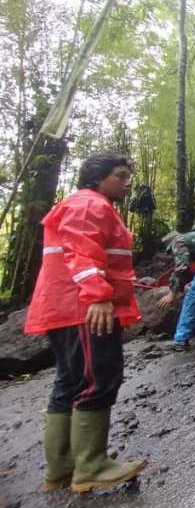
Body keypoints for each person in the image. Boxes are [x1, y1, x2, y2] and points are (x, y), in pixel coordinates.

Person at [24, 153, 147, 493]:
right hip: (83, 308)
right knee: (99, 376)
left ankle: (62, 466)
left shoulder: (84, 204)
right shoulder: (90, 204)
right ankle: (91, 464)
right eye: (120, 175)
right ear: (97, 178)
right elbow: (81, 250)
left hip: (66, 307)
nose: (127, 182)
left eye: (128, 175)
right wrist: (98, 296)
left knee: (71, 381)